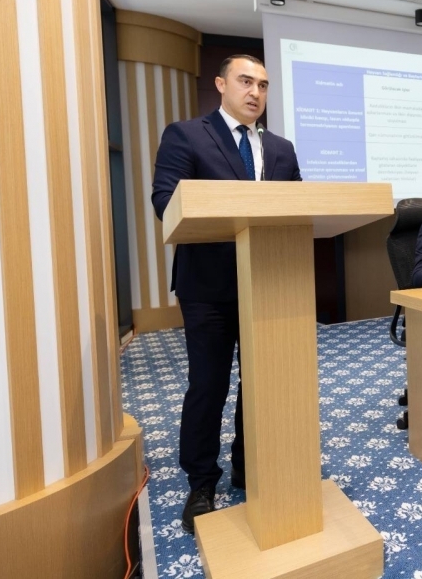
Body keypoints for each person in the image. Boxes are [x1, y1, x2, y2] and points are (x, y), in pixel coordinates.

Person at [151, 54, 302, 534]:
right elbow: (165, 202)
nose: (256, 92)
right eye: (245, 81)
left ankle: (246, 465)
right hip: (209, 287)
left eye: (263, 85)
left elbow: (297, 207)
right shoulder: (187, 135)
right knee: (209, 385)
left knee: (260, 383)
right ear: (220, 84)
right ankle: (201, 481)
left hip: (268, 283)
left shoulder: (281, 148)